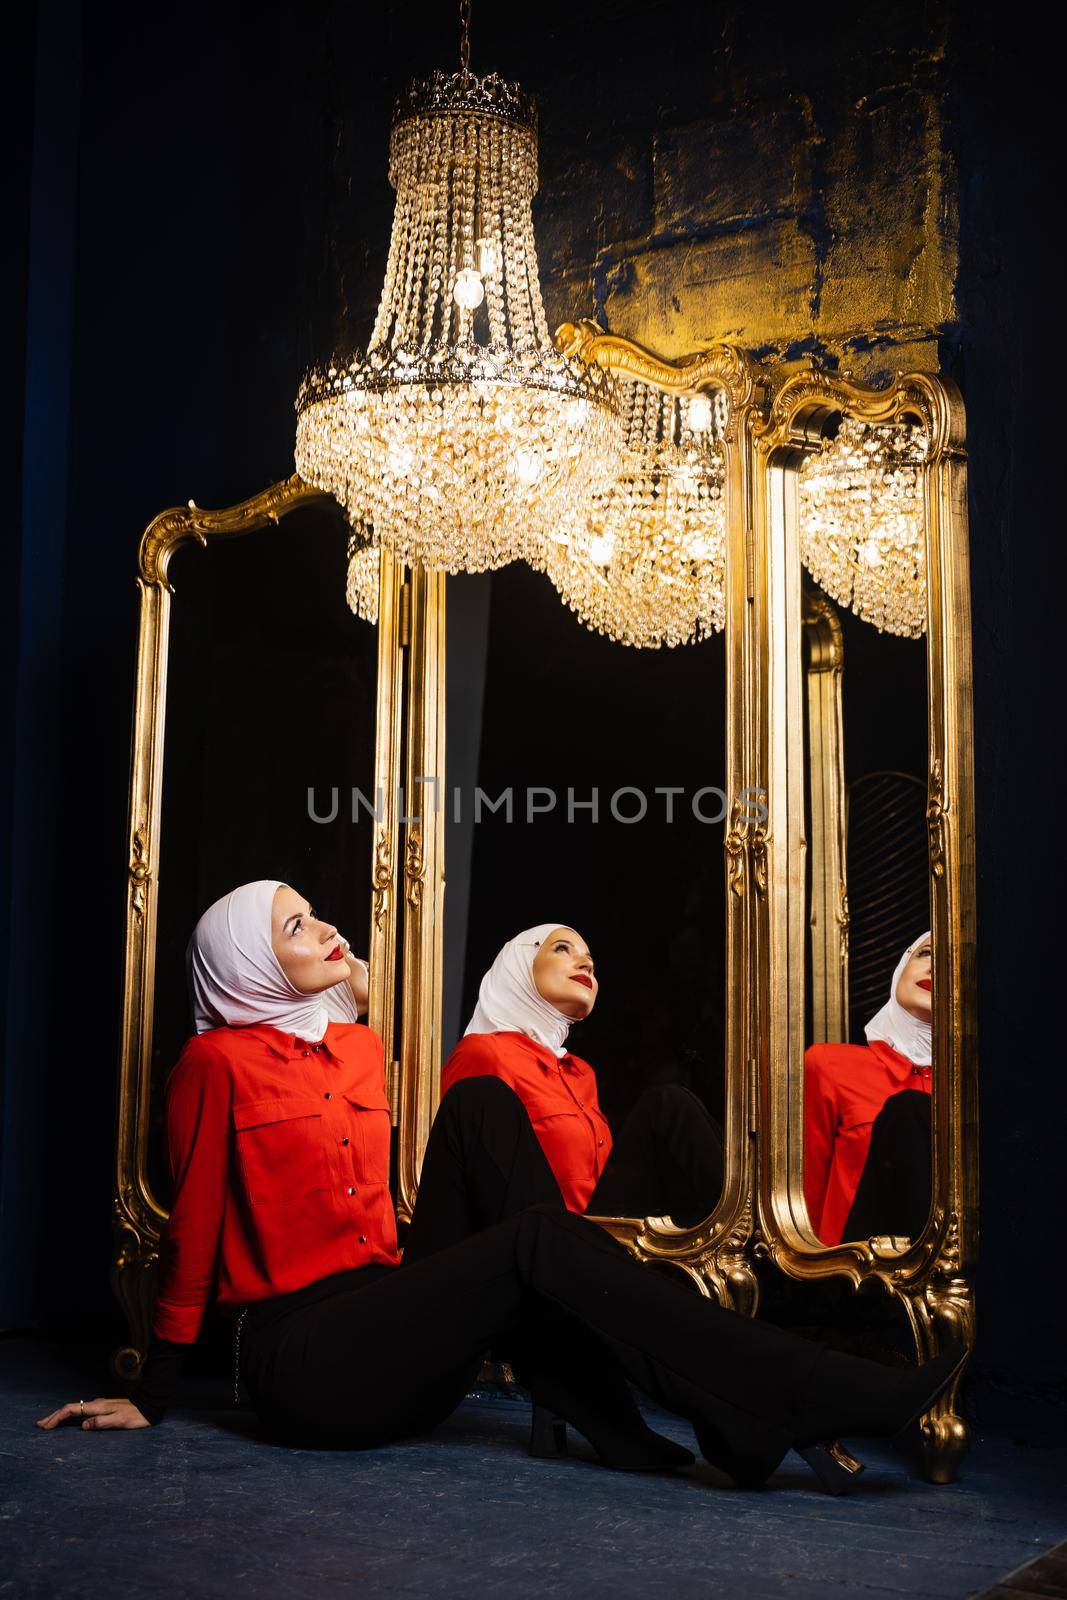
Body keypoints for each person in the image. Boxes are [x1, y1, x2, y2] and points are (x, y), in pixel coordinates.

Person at [38, 884, 964, 1495]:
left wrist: (352, 1001)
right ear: (244, 964)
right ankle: (775, 1397)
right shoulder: (212, 1062)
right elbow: (192, 1228)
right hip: (305, 1363)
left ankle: (696, 1409)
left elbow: (395, 1148)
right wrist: (155, 1388)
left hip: (396, 1320)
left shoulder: (356, 1049)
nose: (326, 928)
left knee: (480, 1105)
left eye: (318, 914)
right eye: (295, 927)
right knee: (532, 1232)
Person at [441, 925, 723, 1226]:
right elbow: (453, 1179)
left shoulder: (580, 1072)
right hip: (539, 1242)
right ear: (519, 967)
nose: (587, 963)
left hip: (597, 1232)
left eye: (591, 960)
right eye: (562, 948)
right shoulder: (483, 1053)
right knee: (668, 1106)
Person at [804, 933, 933, 1246]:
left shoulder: (970, 1094)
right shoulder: (828, 1064)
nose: (935, 969)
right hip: (849, 1271)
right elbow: (807, 1200)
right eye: (926, 954)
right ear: (901, 967)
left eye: (953, 963)